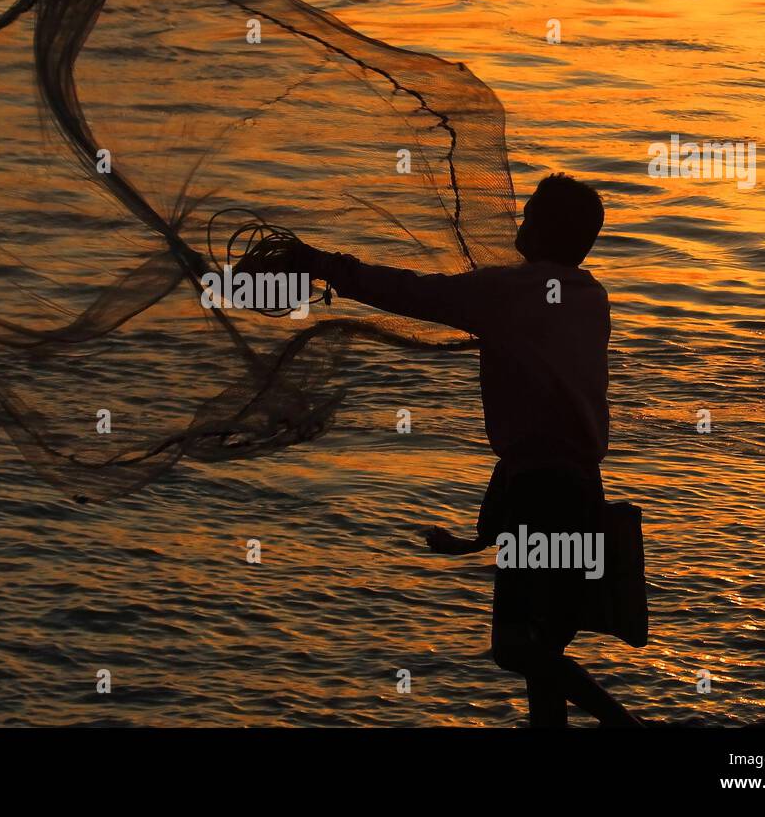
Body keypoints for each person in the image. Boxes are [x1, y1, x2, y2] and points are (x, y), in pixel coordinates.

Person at [236, 172, 642, 727]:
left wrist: (323, 264)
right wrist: (480, 536)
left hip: (539, 492)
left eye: (529, 215)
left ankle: (627, 726)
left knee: (516, 647)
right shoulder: (590, 298)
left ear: (546, 230)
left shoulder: (507, 293)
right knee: (543, 643)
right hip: (575, 491)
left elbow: (412, 292)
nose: (518, 222)